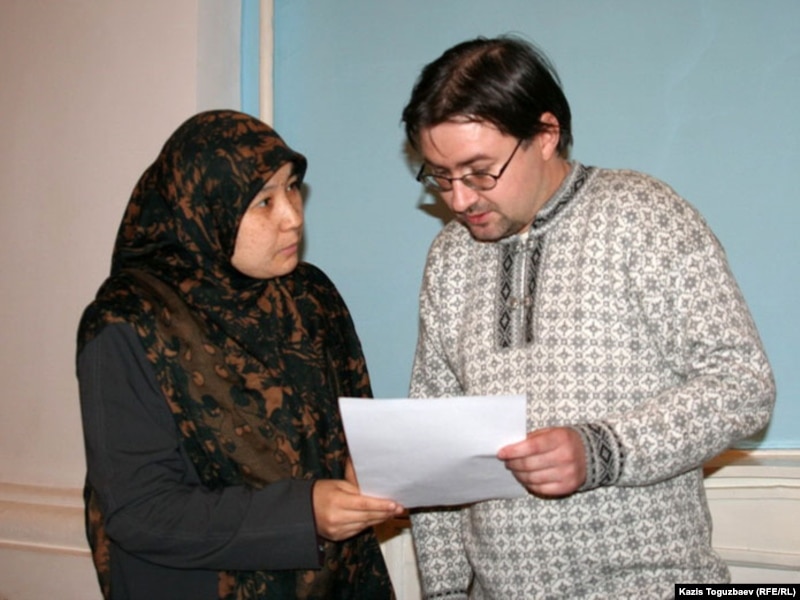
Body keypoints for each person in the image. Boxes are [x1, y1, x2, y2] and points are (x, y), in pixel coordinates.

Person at [401, 36, 775, 598]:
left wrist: (601, 450)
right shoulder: (449, 259)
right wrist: (446, 591)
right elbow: (437, 443)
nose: (458, 200)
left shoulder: (642, 216)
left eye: (479, 172)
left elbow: (743, 386)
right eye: (440, 175)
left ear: (545, 135)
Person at [76, 109, 403, 599]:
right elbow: (141, 511)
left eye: (292, 188)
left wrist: (367, 465)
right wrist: (303, 514)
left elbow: (354, 422)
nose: (293, 216)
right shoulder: (130, 322)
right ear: (207, 208)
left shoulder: (310, 297)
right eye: (264, 201)